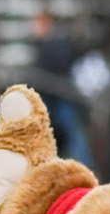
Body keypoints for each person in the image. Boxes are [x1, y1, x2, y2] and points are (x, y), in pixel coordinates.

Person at [31, 9, 91, 168]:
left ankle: (85, 168)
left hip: (58, 97)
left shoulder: (54, 43)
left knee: (73, 137)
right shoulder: (48, 43)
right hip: (54, 97)